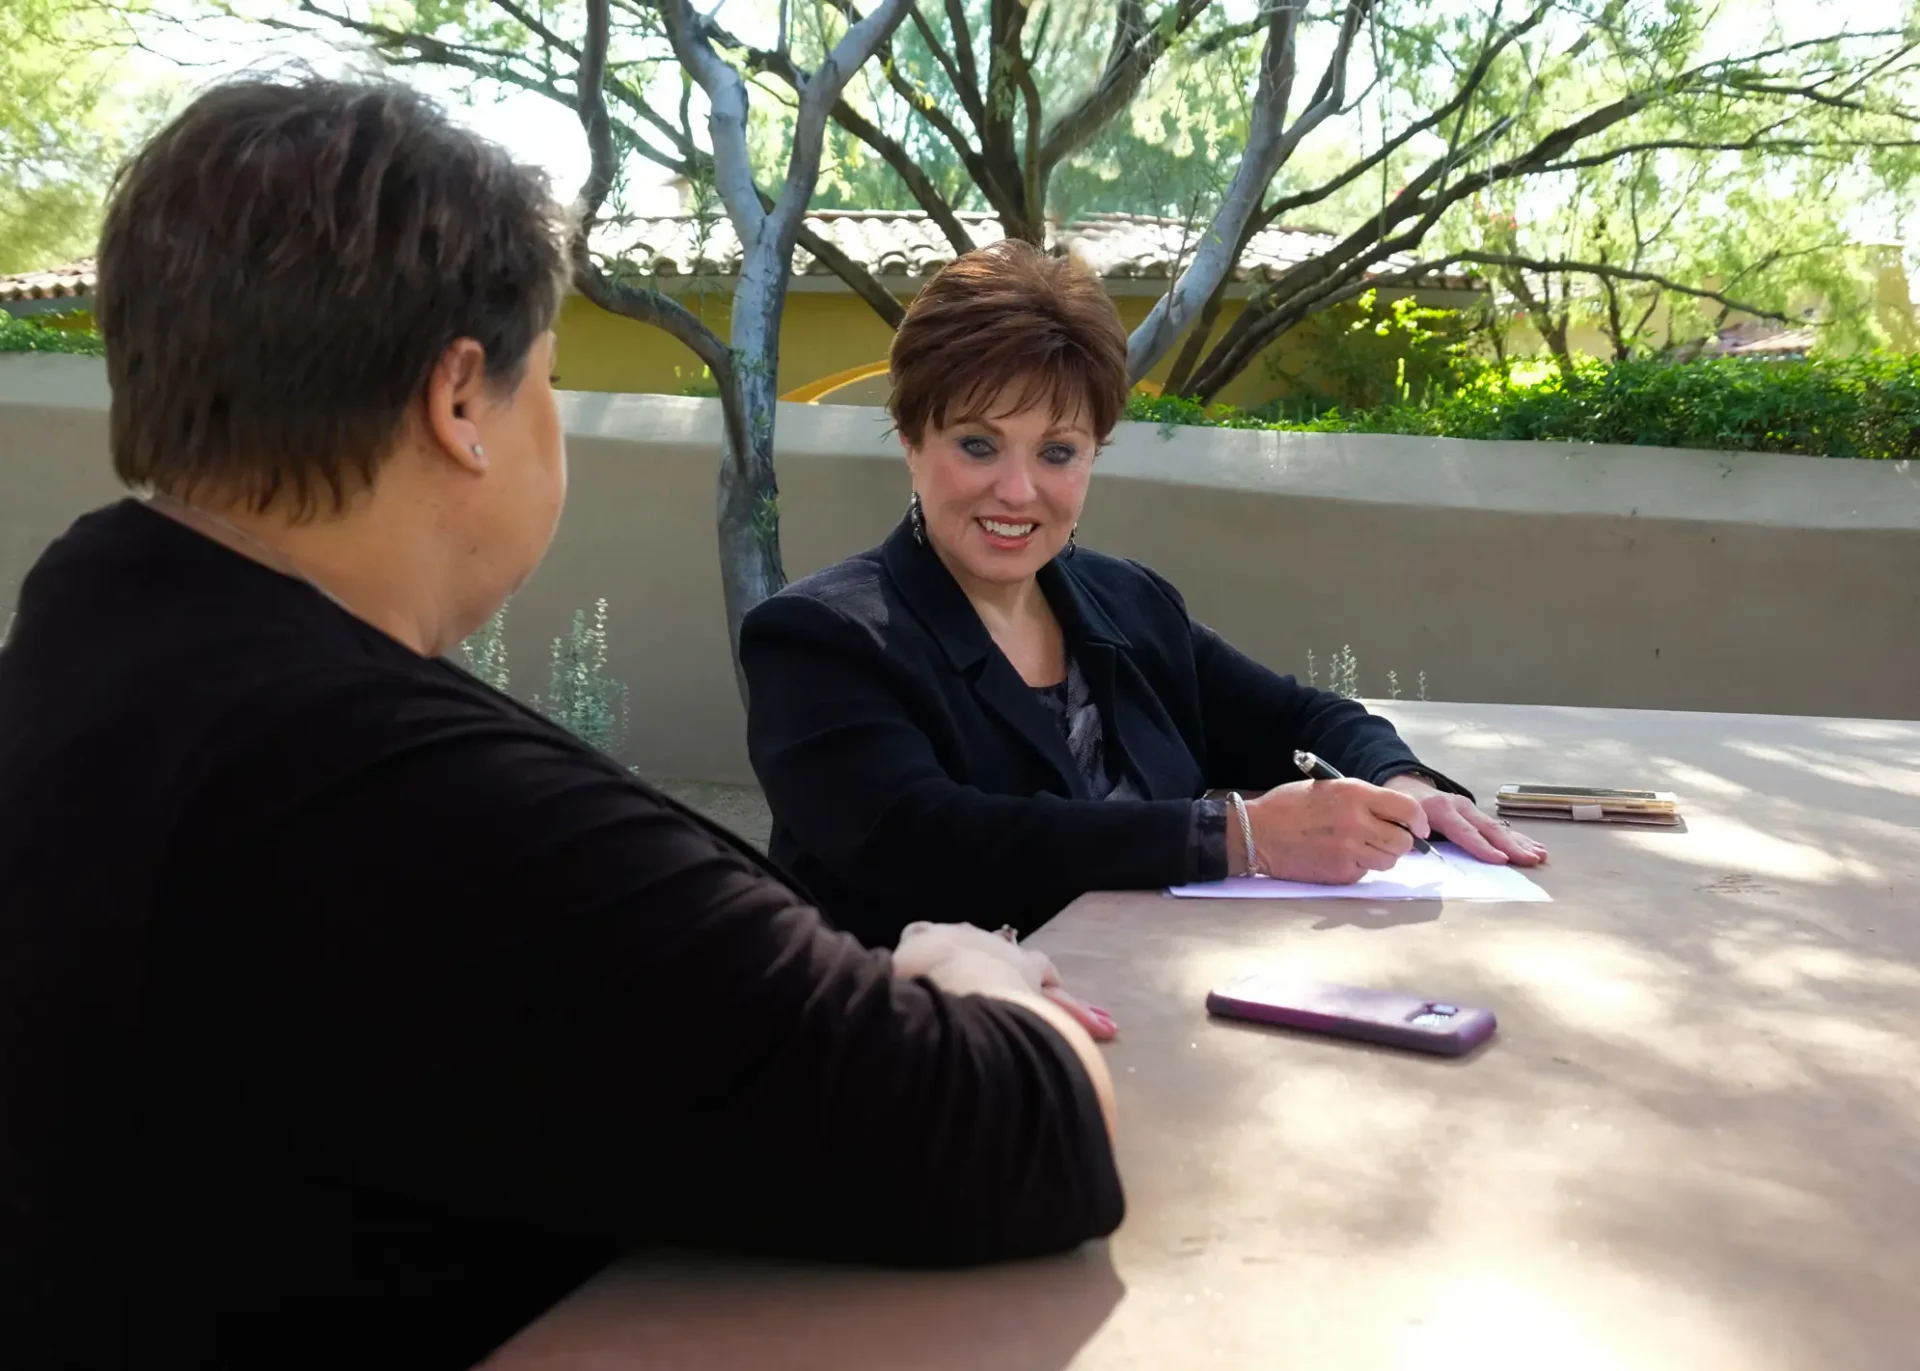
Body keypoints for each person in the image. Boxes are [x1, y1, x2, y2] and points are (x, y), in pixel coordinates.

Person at [0, 81, 1122, 1371]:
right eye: (552, 372)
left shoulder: (94, 667)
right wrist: (977, 974)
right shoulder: (369, 792)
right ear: (460, 403)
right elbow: (1026, 1137)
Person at [741, 241, 1547, 949]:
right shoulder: (821, 638)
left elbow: (1299, 718)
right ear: (912, 439)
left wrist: (1401, 784)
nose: (1017, 489)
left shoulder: (1125, 603)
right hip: (932, 1066)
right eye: (978, 444)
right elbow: (933, 842)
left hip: (1168, 1019)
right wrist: (1238, 835)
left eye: (1059, 451)